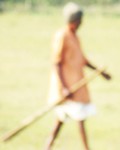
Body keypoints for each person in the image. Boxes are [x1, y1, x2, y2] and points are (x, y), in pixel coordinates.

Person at [45, 2, 111, 150]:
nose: (82, 23)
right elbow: (56, 63)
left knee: (59, 121)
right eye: (81, 20)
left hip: (76, 86)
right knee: (80, 119)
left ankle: (47, 147)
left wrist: (100, 72)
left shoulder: (74, 36)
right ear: (76, 21)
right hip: (67, 89)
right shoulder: (62, 36)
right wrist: (64, 88)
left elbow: (82, 60)